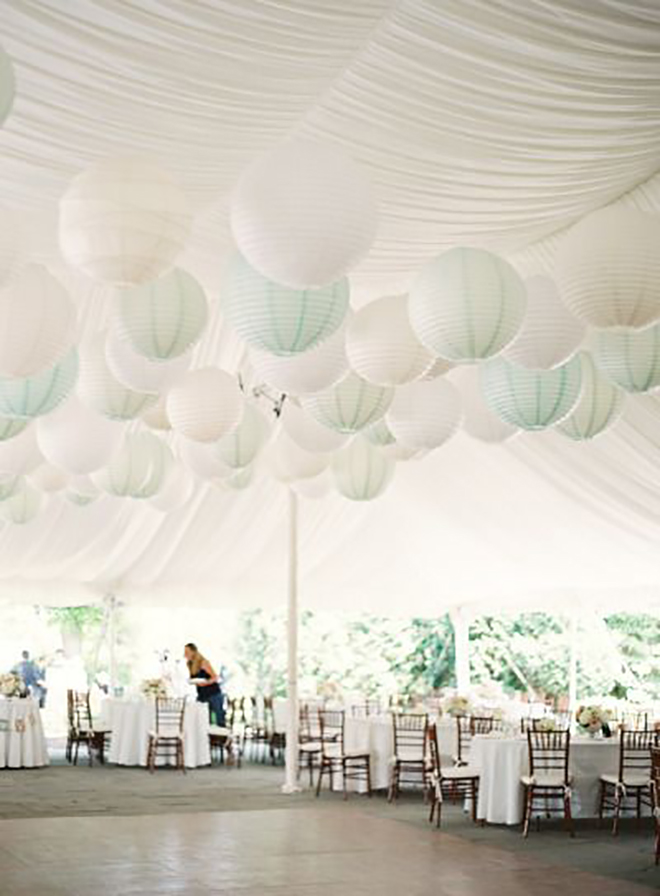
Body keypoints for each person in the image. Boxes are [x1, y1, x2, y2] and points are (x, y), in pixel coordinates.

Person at [184, 643, 226, 727]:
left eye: (187, 652)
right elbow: (195, 679)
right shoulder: (190, 664)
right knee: (204, 719)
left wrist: (205, 683)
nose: (185, 654)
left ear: (193, 652)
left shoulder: (203, 662)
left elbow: (215, 677)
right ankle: (206, 738)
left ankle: (222, 738)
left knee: (219, 719)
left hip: (213, 694)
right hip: (202, 695)